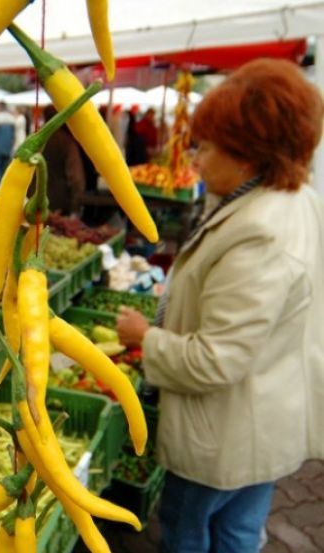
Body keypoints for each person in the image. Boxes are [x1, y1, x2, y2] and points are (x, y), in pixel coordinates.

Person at [115, 59, 324, 553]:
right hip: (266, 416)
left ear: (249, 156)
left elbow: (217, 358)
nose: (196, 159)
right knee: (237, 528)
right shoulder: (297, 199)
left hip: (228, 432)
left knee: (187, 527)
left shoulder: (259, 233)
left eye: (205, 147)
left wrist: (147, 338)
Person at [40, 105, 86, 216]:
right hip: (58, 203)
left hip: (33, 201)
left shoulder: (33, 139)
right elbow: (76, 178)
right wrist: (76, 206)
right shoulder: (66, 142)